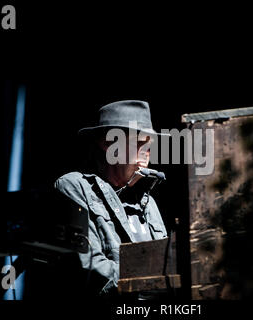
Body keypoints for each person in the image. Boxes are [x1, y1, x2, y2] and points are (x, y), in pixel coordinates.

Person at [53, 100, 168, 298]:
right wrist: (153, 279)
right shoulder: (74, 186)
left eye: (149, 145)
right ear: (107, 143)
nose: (145, 153)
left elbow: (167, 262)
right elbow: (90, 266)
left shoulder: (148, 202)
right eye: (138, 142)